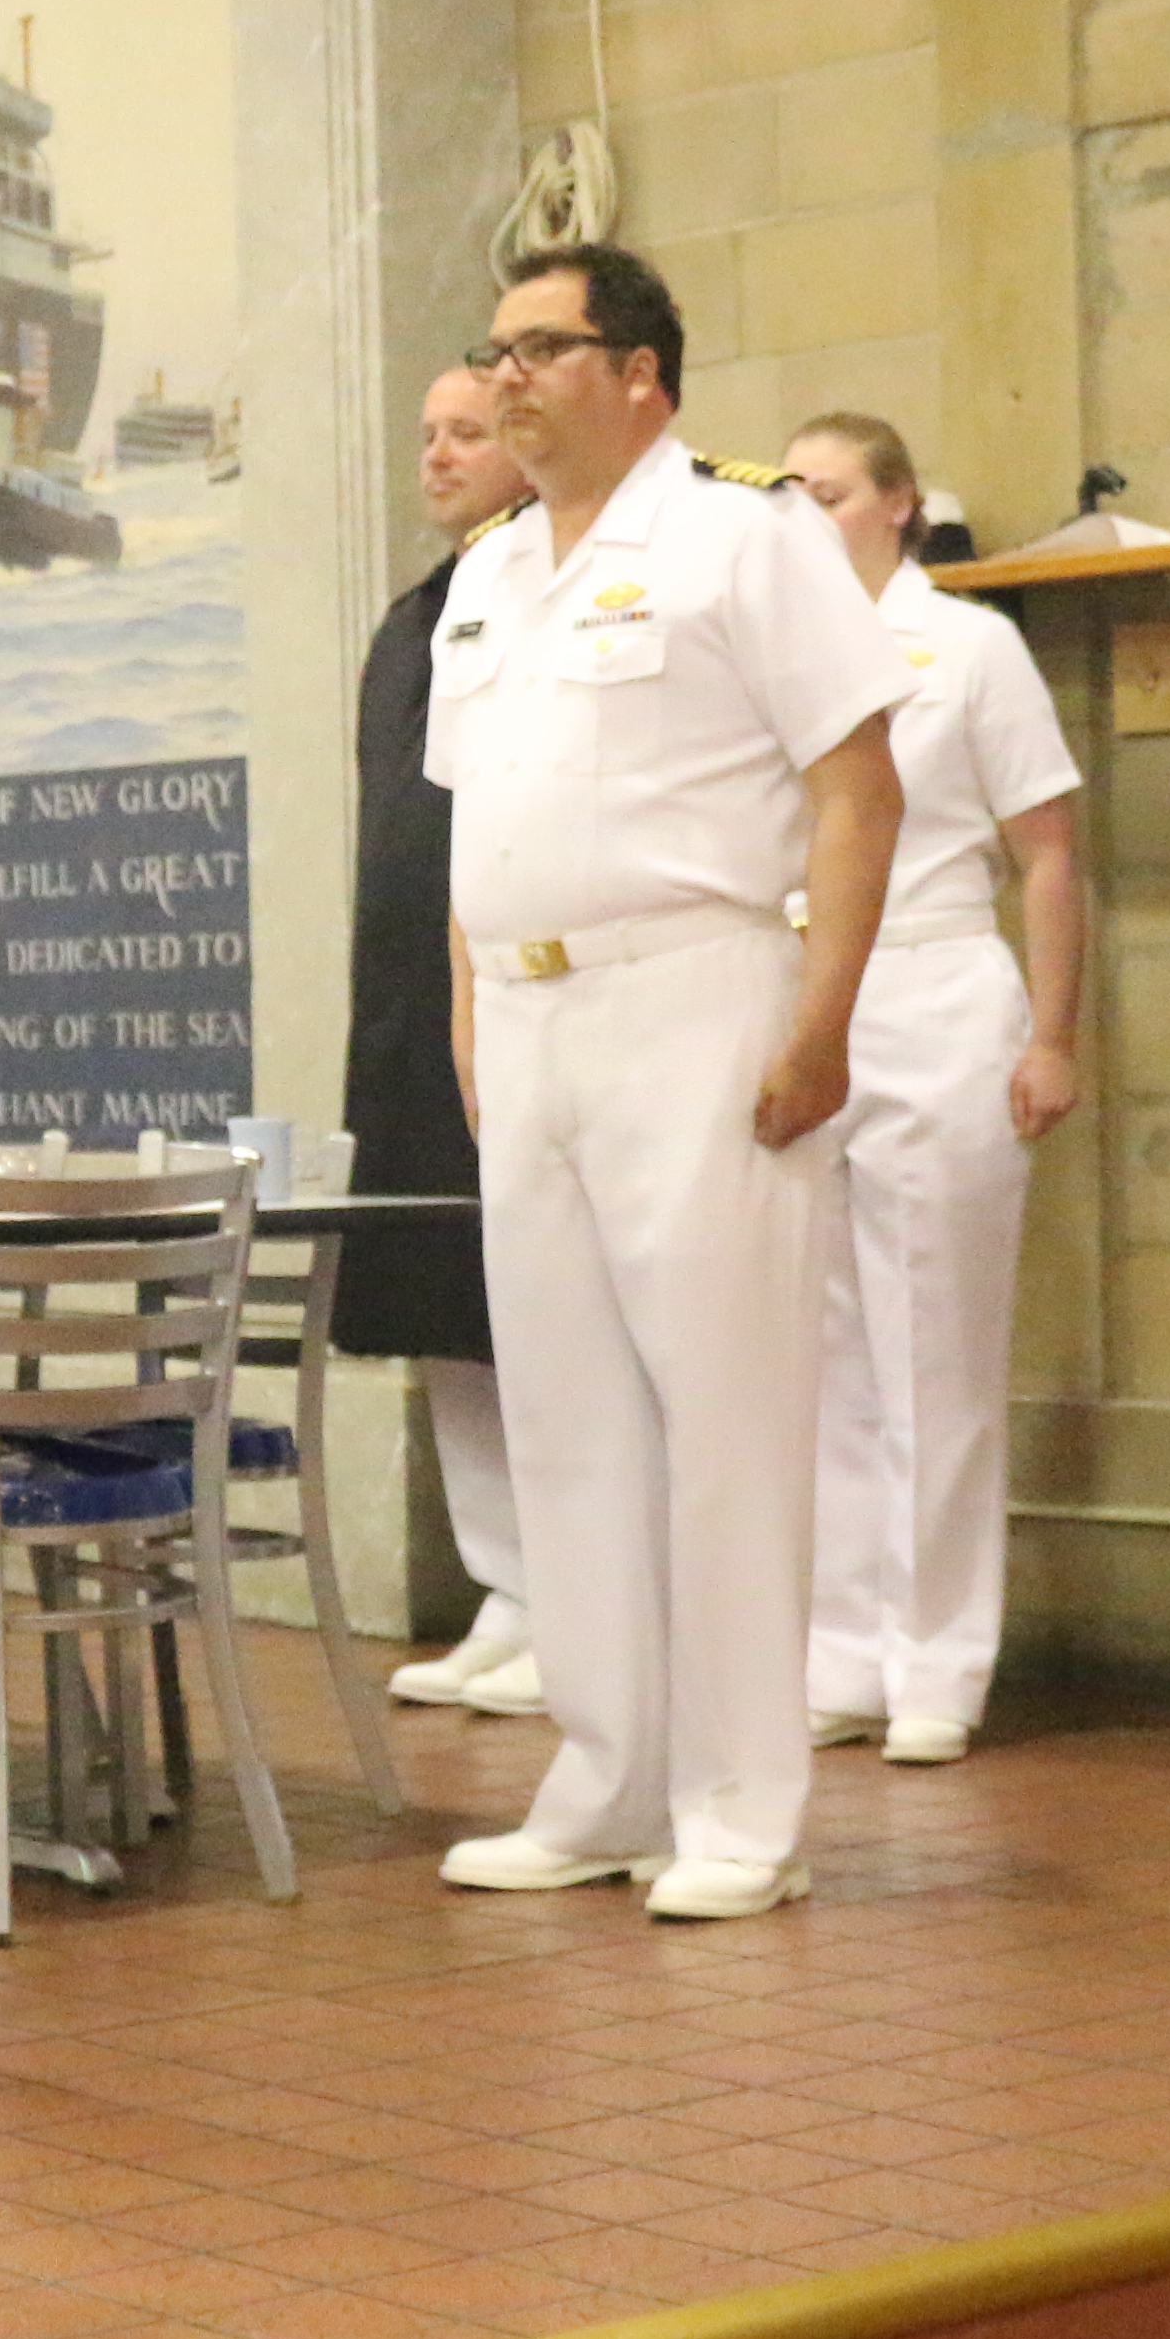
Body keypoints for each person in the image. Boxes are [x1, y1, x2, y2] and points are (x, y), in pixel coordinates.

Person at [427, 242, 906, 1923]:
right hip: (536, 1023)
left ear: (640, 372)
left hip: (694, 1000)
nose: (505, 380)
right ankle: (604, 1776)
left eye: (541, 349)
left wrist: (821, 1016)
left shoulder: (740, 532)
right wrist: (475, 1011)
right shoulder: (487, 574)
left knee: (724, 1412)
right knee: (564, 1417)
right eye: (494, 352)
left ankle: (737, 1807)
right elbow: (471, 829)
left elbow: (857, 784)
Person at [779, 411, 1087, 1765]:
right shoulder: (770, 655)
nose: (806, 515)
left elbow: (1053, 853)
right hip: (806, 994)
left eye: (831, 492)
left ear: (901, 505)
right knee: (824, 1349)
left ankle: (939, 1659)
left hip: (940, 983)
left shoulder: (968, 647)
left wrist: (1054, 1035)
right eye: (786, 494)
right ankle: (840, 1646)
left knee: (934, 1350)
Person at [343, 358, 541, 1718]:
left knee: (534, 1313)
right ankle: (505, 1584)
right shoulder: (417, 617)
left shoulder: (545, 593)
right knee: (439, 1305)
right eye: (427, 435)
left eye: (466, 431)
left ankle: (576, 1596)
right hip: (413, 1009)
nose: (438, 454)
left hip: (518, 1006)